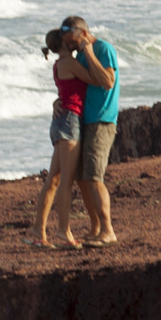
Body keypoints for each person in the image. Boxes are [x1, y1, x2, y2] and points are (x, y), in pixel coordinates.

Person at [61, 15, 120, 246]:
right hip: (84, 119)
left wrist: (89, 53)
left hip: (102, 120)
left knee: (95, 176)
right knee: (83, 178)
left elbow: (108, 81)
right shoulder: (82, 56)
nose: (72, 47)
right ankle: (96, 227)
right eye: (68, 44)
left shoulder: (102, 49)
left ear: (84, 34)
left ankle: (108, 230)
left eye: (73, 42)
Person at [28, 27, 88, 249]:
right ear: (64, 42)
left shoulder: (58, 65)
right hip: (70, 120)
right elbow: (95, 79)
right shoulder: (70, 63)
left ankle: (38, 229)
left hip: (60, 121)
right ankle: (64, 231)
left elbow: (67, 90)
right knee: (65, 181)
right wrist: (87, 49)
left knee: (53, 179)